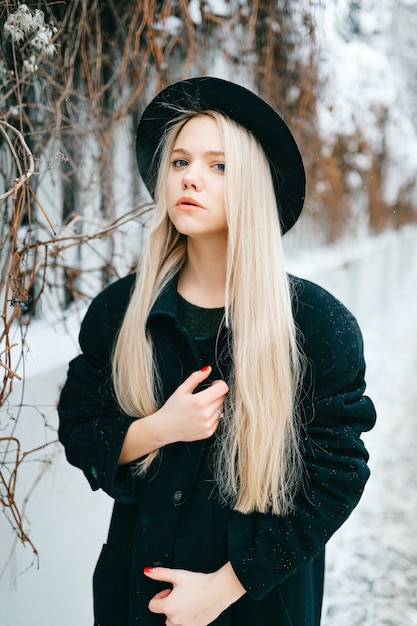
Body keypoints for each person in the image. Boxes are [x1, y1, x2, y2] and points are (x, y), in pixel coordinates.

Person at [58, 76, 376, 626]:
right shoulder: (119, 313)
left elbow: (336, 475)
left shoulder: (318, 326)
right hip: (136, 599)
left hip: (259, 606)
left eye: (218, 165)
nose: (191, 178)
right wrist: (159, 428)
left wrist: (224, 588)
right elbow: (81, 425)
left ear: (252, 186)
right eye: (180, 162)